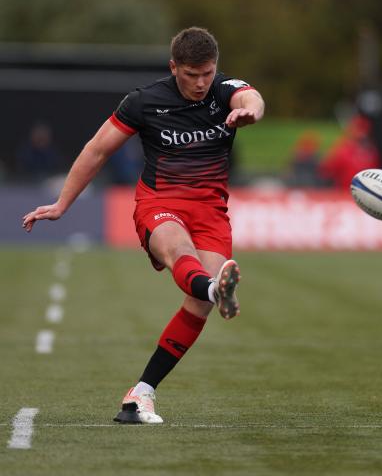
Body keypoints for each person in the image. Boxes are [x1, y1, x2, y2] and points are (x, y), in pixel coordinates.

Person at [22, 27, 265, 424]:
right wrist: (62, 204)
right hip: (160, 202)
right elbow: (97, 148)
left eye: (207, 72)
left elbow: (251, 97)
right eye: (191, 74)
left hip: (211, 210)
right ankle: (215, 287)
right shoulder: (144, 100)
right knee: (182, 256)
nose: (201, 83)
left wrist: (250, 111)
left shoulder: (225, 92)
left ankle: (141, 393)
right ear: (174, 68)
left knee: (199, 304)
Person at [319, 114, 381, 188]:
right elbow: (326, 171)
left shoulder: (372, 151)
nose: (362, 134)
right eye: (359, 130)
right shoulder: (342, 149)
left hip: (366, 193)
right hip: (343, 193)